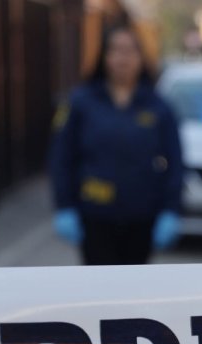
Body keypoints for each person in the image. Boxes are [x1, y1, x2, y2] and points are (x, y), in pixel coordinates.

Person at [49, 25, 184, 266]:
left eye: (130, 51)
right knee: (99, 284)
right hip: (94, 214)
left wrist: (171, 209)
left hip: (142, 215)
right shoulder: (81, 102)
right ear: (104, 56)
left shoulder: (158, 106)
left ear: (141, 57)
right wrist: (64, 205)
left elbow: (175, 161)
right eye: (116, 50)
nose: (123, 58)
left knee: (133, 284)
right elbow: (61, 157)